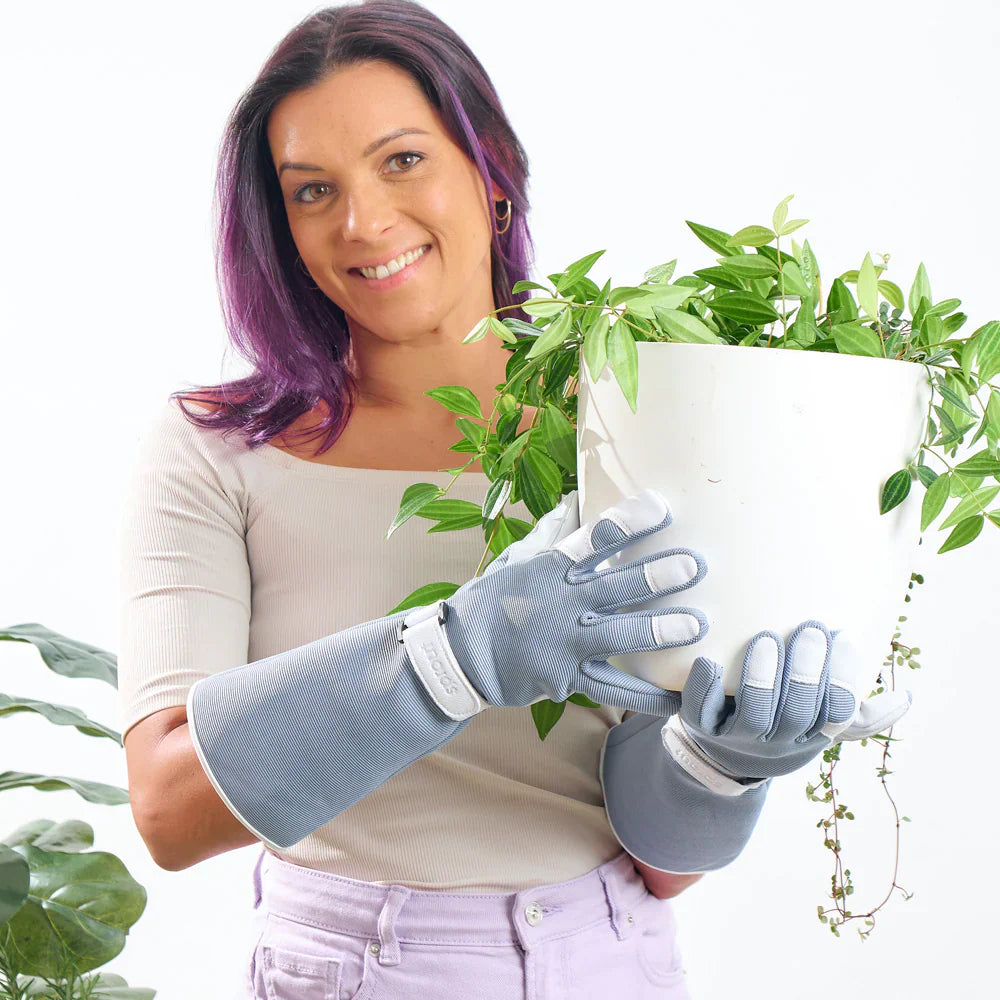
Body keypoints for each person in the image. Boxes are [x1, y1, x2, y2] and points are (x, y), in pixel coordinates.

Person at [118, 3, 912, 998]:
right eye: (313, 189)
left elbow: (661, 864)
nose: (361, 221)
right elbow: (167, 809)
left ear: (490, 171)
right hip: (350, 968)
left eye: (401, 160)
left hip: (610, 958)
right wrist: (448, 657)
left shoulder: (627, 411)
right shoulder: (215, 451)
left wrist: (719, 763)